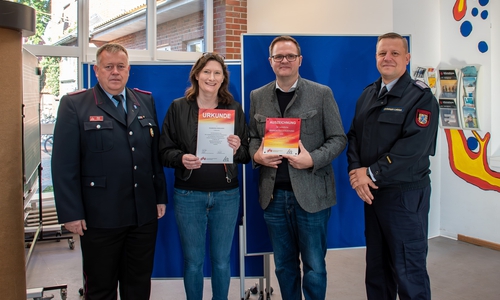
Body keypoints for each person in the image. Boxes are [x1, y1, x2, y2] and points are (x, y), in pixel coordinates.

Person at [52, 43, 167, 300]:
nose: (115, 72)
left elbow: (152, 156)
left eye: (121, 66)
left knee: (138, 285)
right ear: (96, 70)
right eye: (108, 67)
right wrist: (71, 213)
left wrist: (159, 196)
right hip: (99, 218)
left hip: (141, 214)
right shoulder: (75, 105)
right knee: (101, 288)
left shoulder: (144, 101)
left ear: (128, 70)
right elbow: (64, 165)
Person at [248, 35, 347, 300]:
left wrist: (312, 159)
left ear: (299, 60)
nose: (284, 61)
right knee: (284, 266)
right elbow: (252, 137)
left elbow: (339, 139)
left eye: (290, 56)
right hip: (274, 196)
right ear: (270, 62)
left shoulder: (321, 93)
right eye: (278, 56)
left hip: (312, 196)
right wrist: (256, 155)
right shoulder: (257, 96)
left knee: (314, 266)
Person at [346, 32, 439, 300]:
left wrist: (370, 173)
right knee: (377, 270)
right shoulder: (368, 94)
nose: (387, 58)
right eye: (382, 53)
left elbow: (413, 149)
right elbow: (354, 136)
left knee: (409, 271)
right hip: (373, 194)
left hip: (405, 196)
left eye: (395, 53)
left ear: (407, 58)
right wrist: (357, 174)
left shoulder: (420, 98)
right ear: (375, 57)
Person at [159, 52, 250, 300]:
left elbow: (246, 154)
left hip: (227, 195)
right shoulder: (178, 107)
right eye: (207, 72)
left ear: (223, 79)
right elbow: (164, 151)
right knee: (193, 262)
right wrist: (181, 159)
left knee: (222, 261)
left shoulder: (233, 108)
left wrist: (237, 147)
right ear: (197, 75)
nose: (211, 77)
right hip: (188, 195)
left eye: (217, 73)